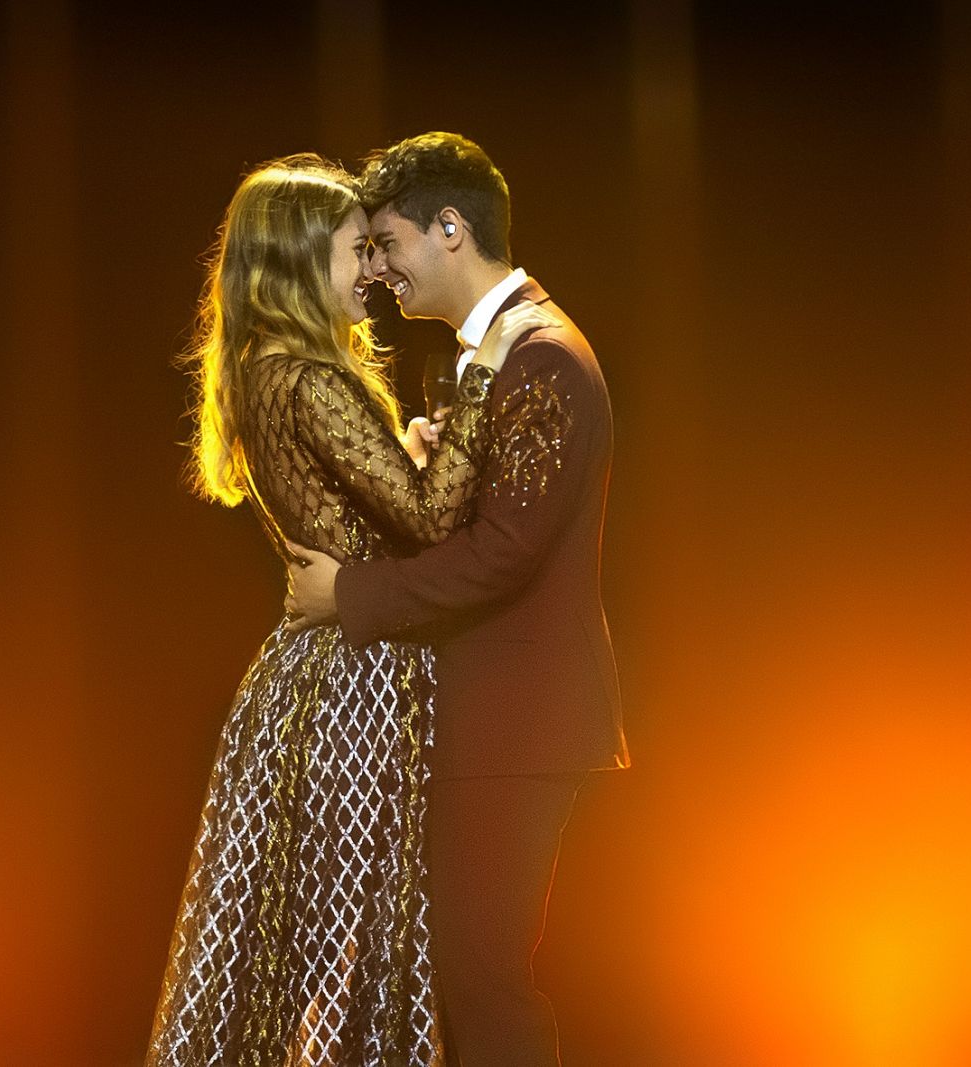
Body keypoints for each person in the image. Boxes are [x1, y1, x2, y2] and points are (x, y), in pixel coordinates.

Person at [146, 153, 549, 1066]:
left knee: (308, 955)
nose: (371, 271)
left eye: (376, 248)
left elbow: (374, 504)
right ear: (297, 263)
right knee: (353, 949)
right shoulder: (313, 377)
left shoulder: (263, 370)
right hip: (355, 685)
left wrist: (403, 449)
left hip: (309, 682)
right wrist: (481, 375)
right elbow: (431, 516)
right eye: (355, 251)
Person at [285, 132, 630, 1067]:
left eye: (386, 242)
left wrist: (347, 594)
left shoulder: (543, 357)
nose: (379, 268)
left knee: (481, 980)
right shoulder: (507, 354)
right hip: (495, 721)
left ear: (450, 228)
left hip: (517, 723)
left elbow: (505, 555)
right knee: (462, 979)